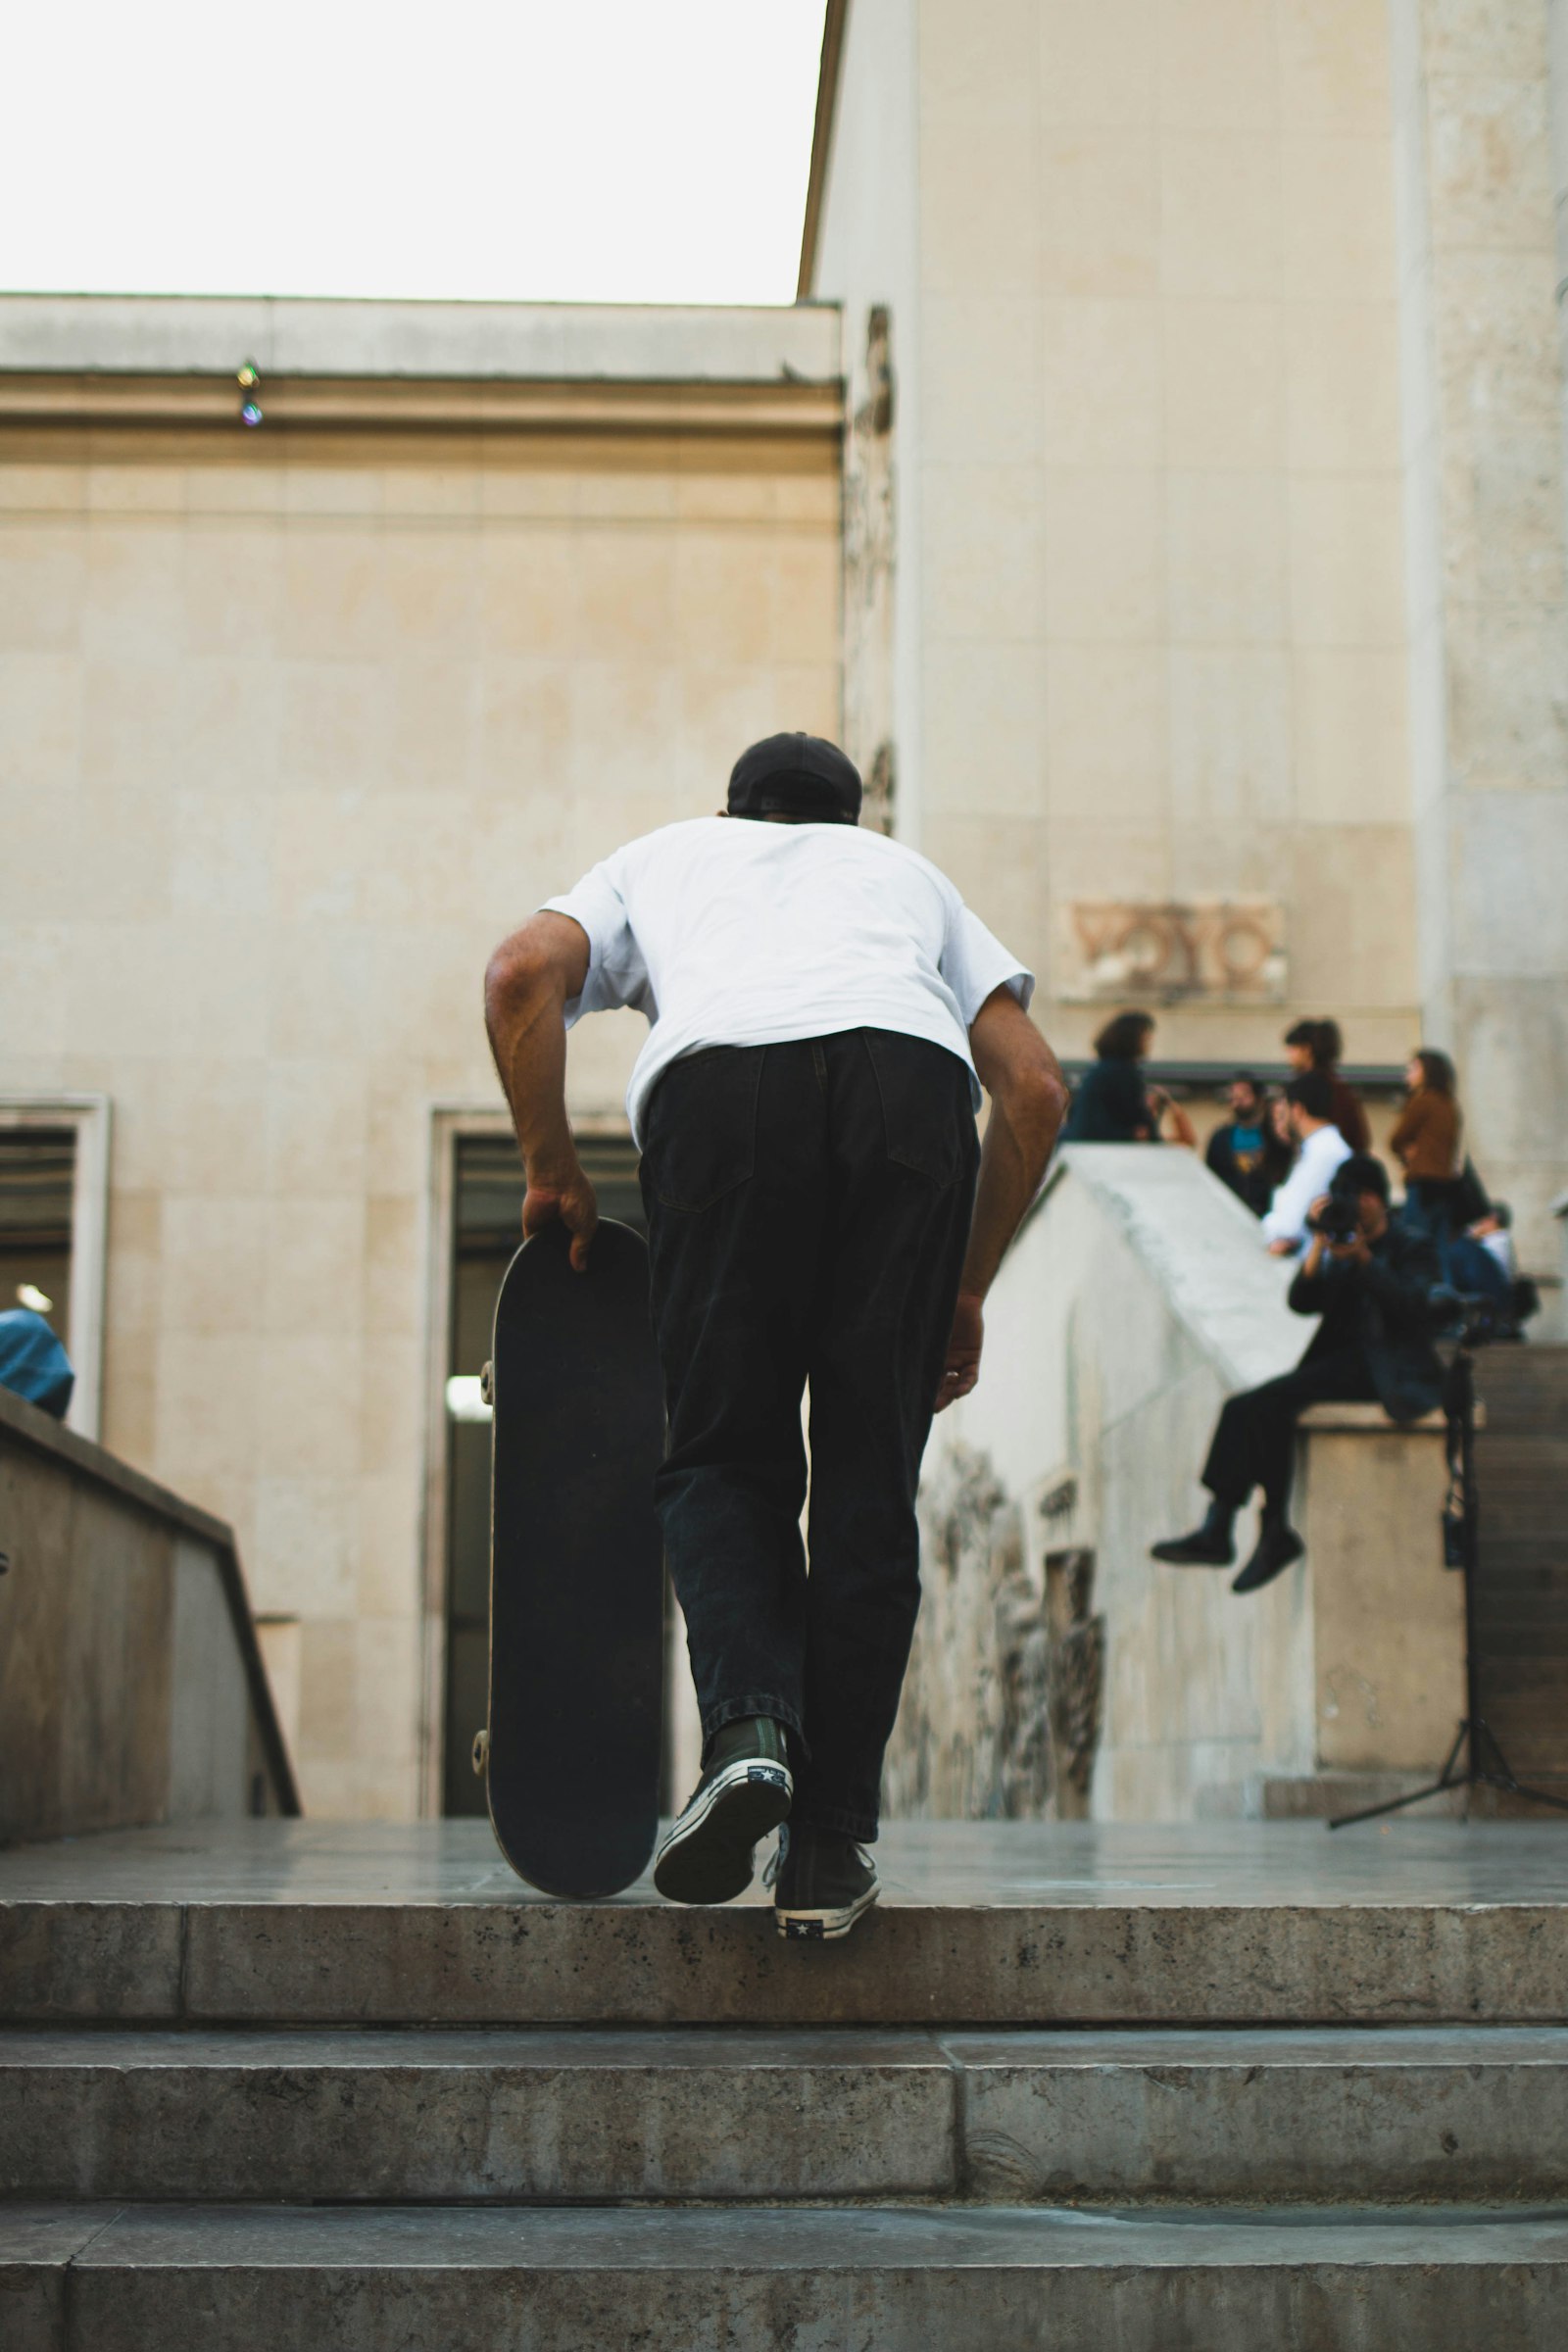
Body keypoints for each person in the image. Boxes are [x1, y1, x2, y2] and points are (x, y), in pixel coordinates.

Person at [483, 732, 1067, 1940]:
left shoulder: (665, 858)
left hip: (721, 1108)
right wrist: (964, 1286)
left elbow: (516, 976)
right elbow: (1035, 1092)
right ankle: (829, 1842)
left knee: (724, 1455)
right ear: (846, 822)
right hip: (909, 1099)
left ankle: (749, 1733)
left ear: (734, 811)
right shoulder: (909, 880)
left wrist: (552, 1170)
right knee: (867, 1481)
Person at [1151, 1155, 1441, 1594]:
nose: (1348, 1211)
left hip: (1387, 1371)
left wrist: (1364, 1259)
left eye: (1352, 1201)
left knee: (1266, 1405)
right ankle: (1231, 1525)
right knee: (1251, 1407)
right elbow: (1302, 1302)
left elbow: (1414, 1309)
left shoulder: (1410, 1245)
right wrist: (1321, 1243)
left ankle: (1249, 1531)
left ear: (1372, 1199)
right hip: (1341, 1364)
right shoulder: (1342, 1244)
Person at [1063, 1009, 1197, 1147]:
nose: (1148, 1044)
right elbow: (1137, 1118)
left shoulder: (1098, 1071)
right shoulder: (1123, 1073)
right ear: (1132, 1039)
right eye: (1146, 1038)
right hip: (1106, 1149)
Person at [1259, 1071, 1352, 1254]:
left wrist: (1268, 1223)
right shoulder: (1319, 1148)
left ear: (1297, 1110)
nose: (1281, 1119)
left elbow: (1289, 1228)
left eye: (1284, 1110)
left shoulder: (1323, 1152)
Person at [1390, 1049, 1464, 1269]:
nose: (1408, 1075)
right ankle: (1443, 1296)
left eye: (1413, 1068)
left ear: (1427, 1072)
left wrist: (1407, 1151)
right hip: (1445, 1184)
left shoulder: (1422, 1101)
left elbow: (1396, 1139)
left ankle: (1418, 1295)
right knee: (1440, 1249)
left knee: (1414, 1244)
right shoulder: (1449, 1105)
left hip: (1422, 1183)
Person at [1205, 1072, 1290, 1217]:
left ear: (1259, 1099)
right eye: (1234, 1095)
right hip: (1230, 1214)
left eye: (1244, 1095)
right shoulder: (1221, 1138)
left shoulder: (1274, 1135)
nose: (1238, 1100)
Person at [1283, 1019, 1370, 1152]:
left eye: (1292, 1048)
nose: (1288, 1055)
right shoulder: (1340, 1087)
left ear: (1306, 1049)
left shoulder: (1311, 1088)